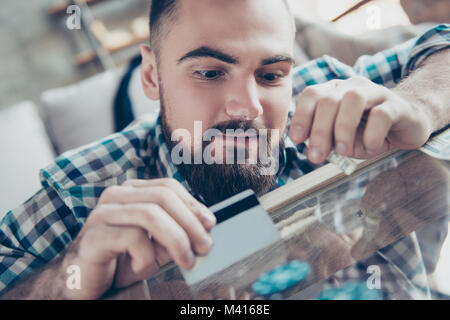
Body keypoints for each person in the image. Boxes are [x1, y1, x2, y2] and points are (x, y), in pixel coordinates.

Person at [0, 0, 449, 299]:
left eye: (271, 75)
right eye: (211, 73)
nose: (248, 107)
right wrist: (68, 276)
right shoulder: (80, 194)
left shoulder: (331, 100)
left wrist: (417, 102)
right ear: (153, 76)